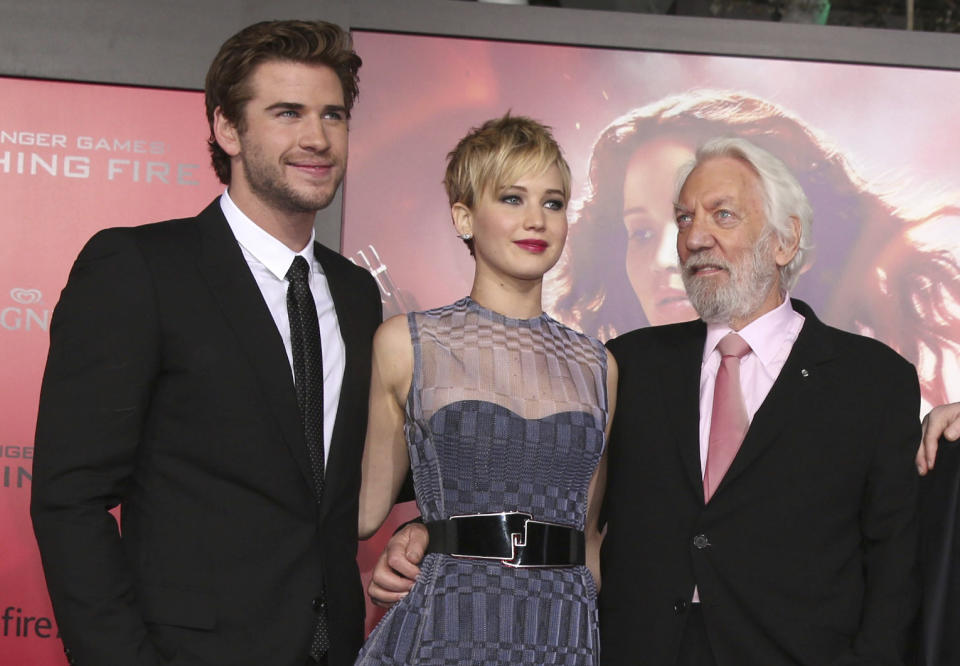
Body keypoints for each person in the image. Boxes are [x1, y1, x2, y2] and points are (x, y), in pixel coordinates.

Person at [373, 136, 920, 665]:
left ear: (784, 240)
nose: (694, 238)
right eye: (685, 218)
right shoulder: (623, 365)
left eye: (721, 215)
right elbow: (537, 485)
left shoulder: (872, 381)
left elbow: (896, 558)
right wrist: (426, 530)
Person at [30, 20, 381, 666]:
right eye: (287, 113)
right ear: (227, 129)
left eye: (333, 115)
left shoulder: (357, 294)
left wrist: (426, 529)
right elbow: (68, 500)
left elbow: (341, 484)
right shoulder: (141, 269)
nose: (318, 138)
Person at [354, 114, 616, 665]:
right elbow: (362, 512)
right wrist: (420, 529)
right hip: (447, 623)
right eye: (512, 198)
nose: (536, 220)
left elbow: (588, 540)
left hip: (562, 631)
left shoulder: (599, 366)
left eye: (552, 202)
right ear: (464, 216)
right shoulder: (406, 343)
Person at [551, 90, 960, 408]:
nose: (676, 250)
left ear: (786, 239)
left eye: (722, 215)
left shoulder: (874, 390)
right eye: (640, 233)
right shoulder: (609, 387)